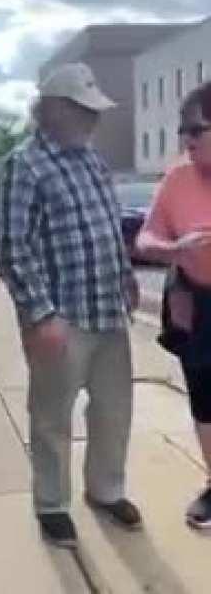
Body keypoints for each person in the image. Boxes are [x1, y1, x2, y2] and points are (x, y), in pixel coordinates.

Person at [0, 62, 142, 547]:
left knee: (114, 410)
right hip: (60, 319)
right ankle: (52, 504)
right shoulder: (24, 165)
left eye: (95, 110)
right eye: (83, 110)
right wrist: (41, 316)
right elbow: (13, 248)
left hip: (107, 312)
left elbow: (107, 225)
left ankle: (105, 490)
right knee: (52, 417)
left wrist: (126, 277)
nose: (94, 119)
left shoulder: (93, 160)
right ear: (53, 110)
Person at [137, 81, 211, 530]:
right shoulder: (177, 177)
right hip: (196, 302)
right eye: (182, 130)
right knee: (205, 401)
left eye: (195, 129)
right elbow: (146, 237)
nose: (186, 139)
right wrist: (173, 249)